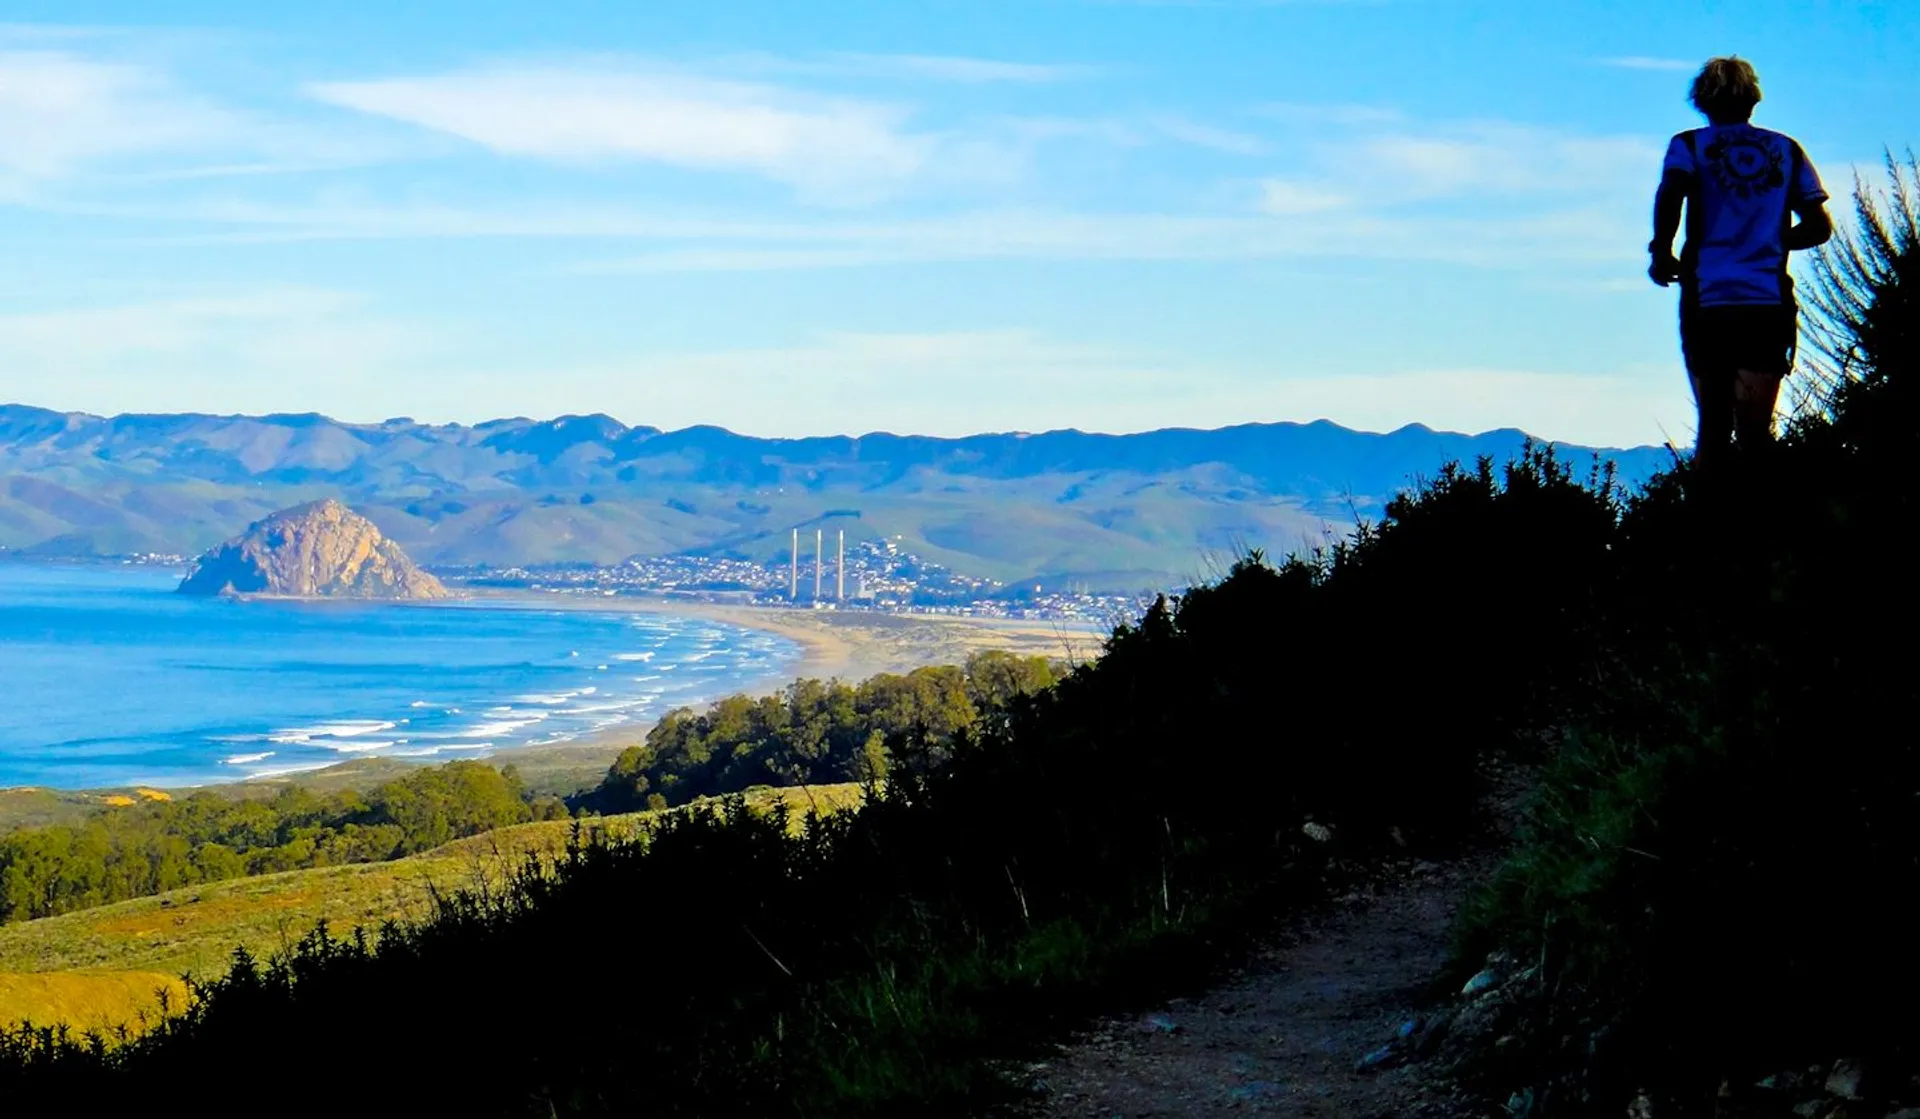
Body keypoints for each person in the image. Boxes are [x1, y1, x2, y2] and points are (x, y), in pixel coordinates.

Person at [1648, 56, 1832, 463]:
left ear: (1702, 100)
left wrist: (1662, 249)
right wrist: (1771, 242)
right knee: (1755, 432)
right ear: (1753, 99)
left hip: (1707, 298)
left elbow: (1672, 192)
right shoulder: (1787, 150)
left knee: (1712, 428)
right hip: (1767, 302)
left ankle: (1706, 515)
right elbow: (1819, 226)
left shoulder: (1689, 146)